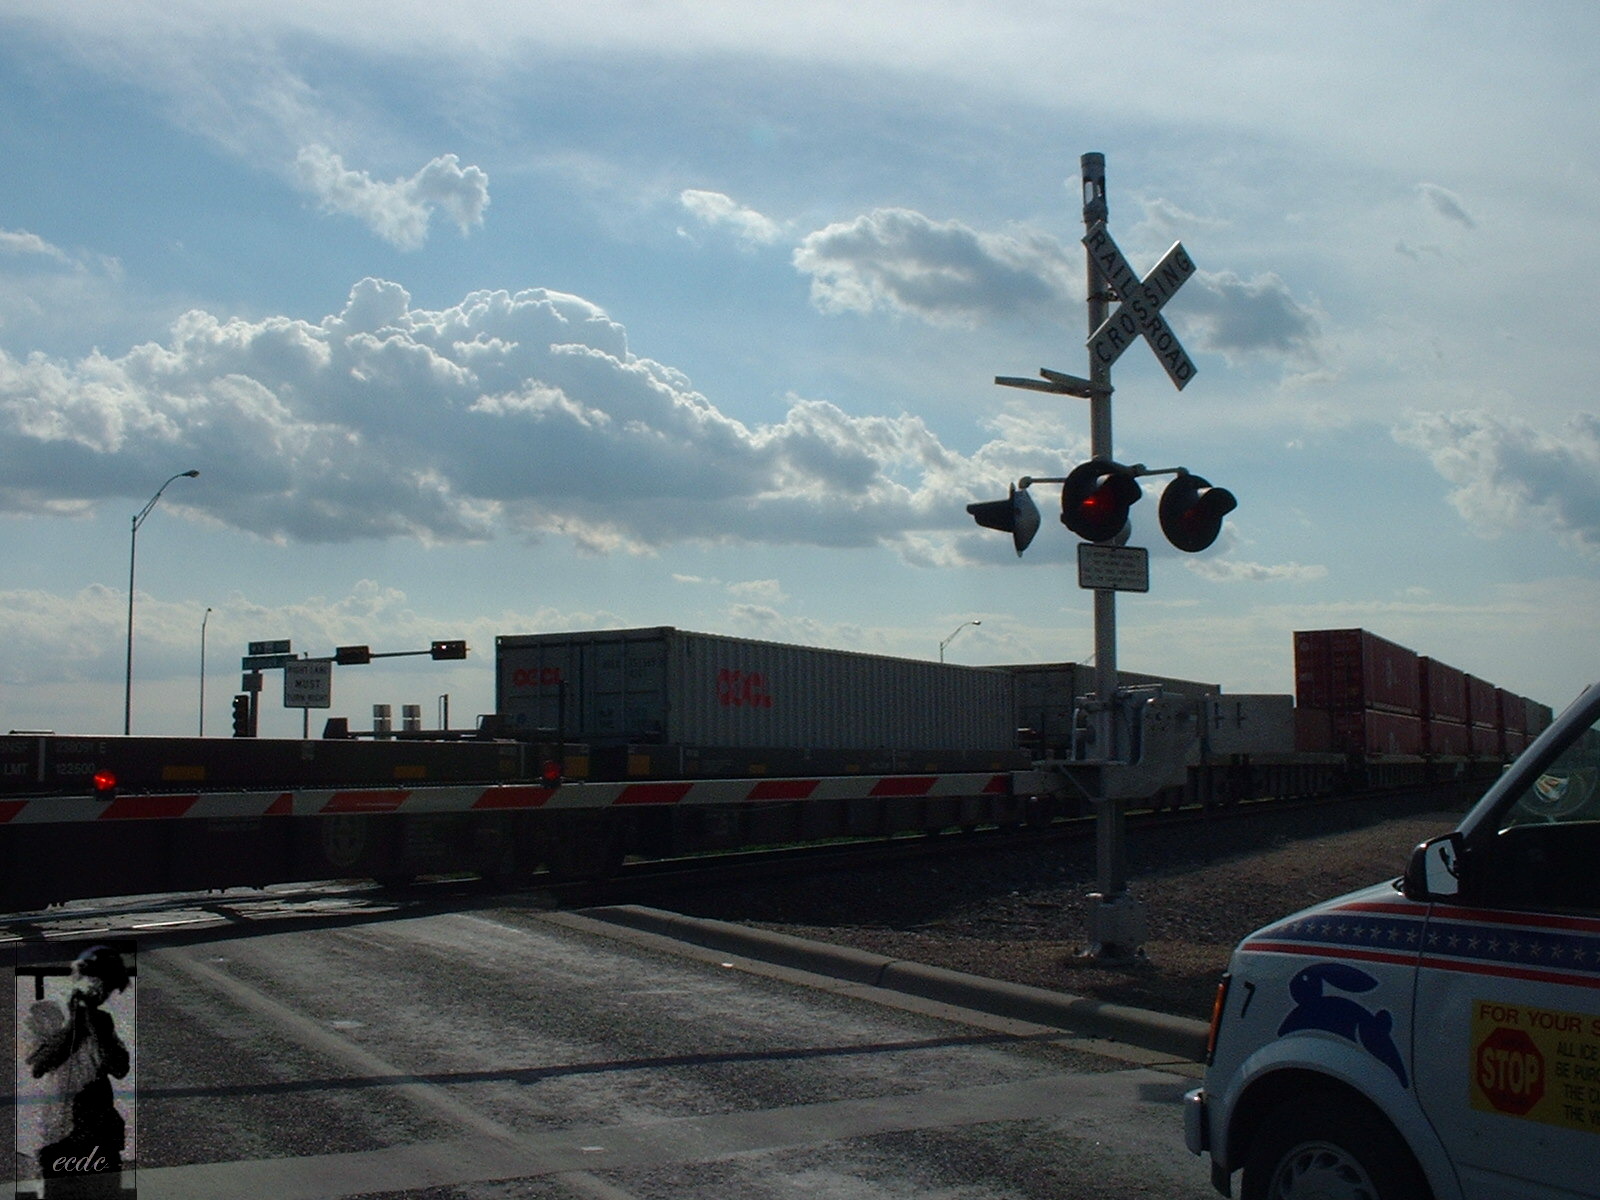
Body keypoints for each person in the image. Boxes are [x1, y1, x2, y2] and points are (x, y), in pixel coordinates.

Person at [25, 945, 131, 1198]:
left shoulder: (101, 1020)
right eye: (100, 986)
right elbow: (37, 1066)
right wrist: (76, 1028)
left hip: (99, 1127)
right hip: (59, 1128)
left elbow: (120, 1068)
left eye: (108, 990)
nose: (102, 995)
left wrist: (98, 1030)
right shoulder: (44, 1013)